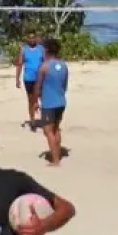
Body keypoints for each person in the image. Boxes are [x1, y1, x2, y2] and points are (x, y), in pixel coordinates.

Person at [34, 38, 69, 166]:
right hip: (61, 102)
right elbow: (65, 85)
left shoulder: (44, 66)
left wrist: (36, 102)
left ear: (47, 50)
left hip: (49, 103)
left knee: (48, 131)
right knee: (56, 129)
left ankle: (55, 160)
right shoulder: (64, 65)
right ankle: (57, 154)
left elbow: (37, 86)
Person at [14, 31, 45, 129]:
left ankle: (46, 120)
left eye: (33, 37)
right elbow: (19, 64)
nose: (32, 40)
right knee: (31, 100)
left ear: (36, 38)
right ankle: (32, 121)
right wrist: (17, 79)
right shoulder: (24, 50)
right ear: (27, 39)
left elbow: (46, 63)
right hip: (28, 78)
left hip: (40, 78)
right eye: (30, 38)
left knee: (43, 98)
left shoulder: (41, 49)